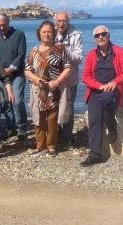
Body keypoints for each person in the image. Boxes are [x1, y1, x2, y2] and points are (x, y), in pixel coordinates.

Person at [81, 25, 123, 167]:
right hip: (96, 90)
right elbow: (85, 77)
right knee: (94, 120)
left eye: (103, 34)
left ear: (108, 35)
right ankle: (94, 154)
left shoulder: (119, 52)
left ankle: (111, 126)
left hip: (113, 90)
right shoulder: (92, 54)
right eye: (97, 36)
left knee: (107, 99)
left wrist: (115, 82)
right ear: (94, 39)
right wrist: (99, 86)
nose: (100, 37)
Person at [25, 20, 71, 157]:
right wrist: (36, 80)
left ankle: (51, 146)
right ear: (39, 34)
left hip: (55, 90)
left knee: (52, 119)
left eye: (49, 31)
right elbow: (27, 70)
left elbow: (68, 68)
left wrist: (57, 82)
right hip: (38, 90)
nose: (47, 34)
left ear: (54, 33)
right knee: (37, 118)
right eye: (44, 32)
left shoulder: (60, 48)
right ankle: (40, 146)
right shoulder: (34, 51)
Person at [0, 13, 27, 140]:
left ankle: (22, 126)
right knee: (5, 102)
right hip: (3, 76)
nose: (2, 27)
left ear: (8, 22)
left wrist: (11, 69)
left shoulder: (19, 35)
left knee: (17, 101)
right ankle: (11, 126)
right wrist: (1, 71)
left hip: (17, 74)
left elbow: (21, 54)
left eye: (4, 25)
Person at [54, 11, 83, 145]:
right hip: (53, 78)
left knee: (68, 108)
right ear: (55, 21)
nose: (61, 24)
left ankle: (66, 137)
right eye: (59, 21)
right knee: (53, 107)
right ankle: (56, 133)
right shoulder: (49, 32)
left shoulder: (76, 34)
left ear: (68, 22)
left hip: (70, 79)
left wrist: (65, 49)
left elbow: (79, 59)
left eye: (64, 21)